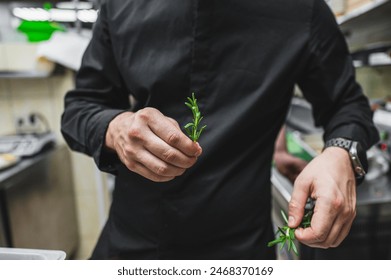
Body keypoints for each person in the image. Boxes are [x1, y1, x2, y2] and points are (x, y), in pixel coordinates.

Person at [61, 0, 379, 259]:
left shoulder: (302, 10)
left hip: (240, 246)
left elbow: (347, 103)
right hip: (135, 241)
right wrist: (115, 128)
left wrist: (341, 152)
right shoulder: (121, 6)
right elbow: (81, 107)